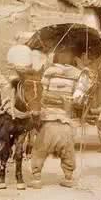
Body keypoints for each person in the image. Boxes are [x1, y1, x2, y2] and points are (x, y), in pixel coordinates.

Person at [29, 61, 83, 189]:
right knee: (68, 151)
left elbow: (40, 94)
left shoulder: (49, 72)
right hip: (66, 123)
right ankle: (68, 177)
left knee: (39, 150)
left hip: (49, 122)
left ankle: (37, 178)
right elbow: (79, 100)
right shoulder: (77, 75)